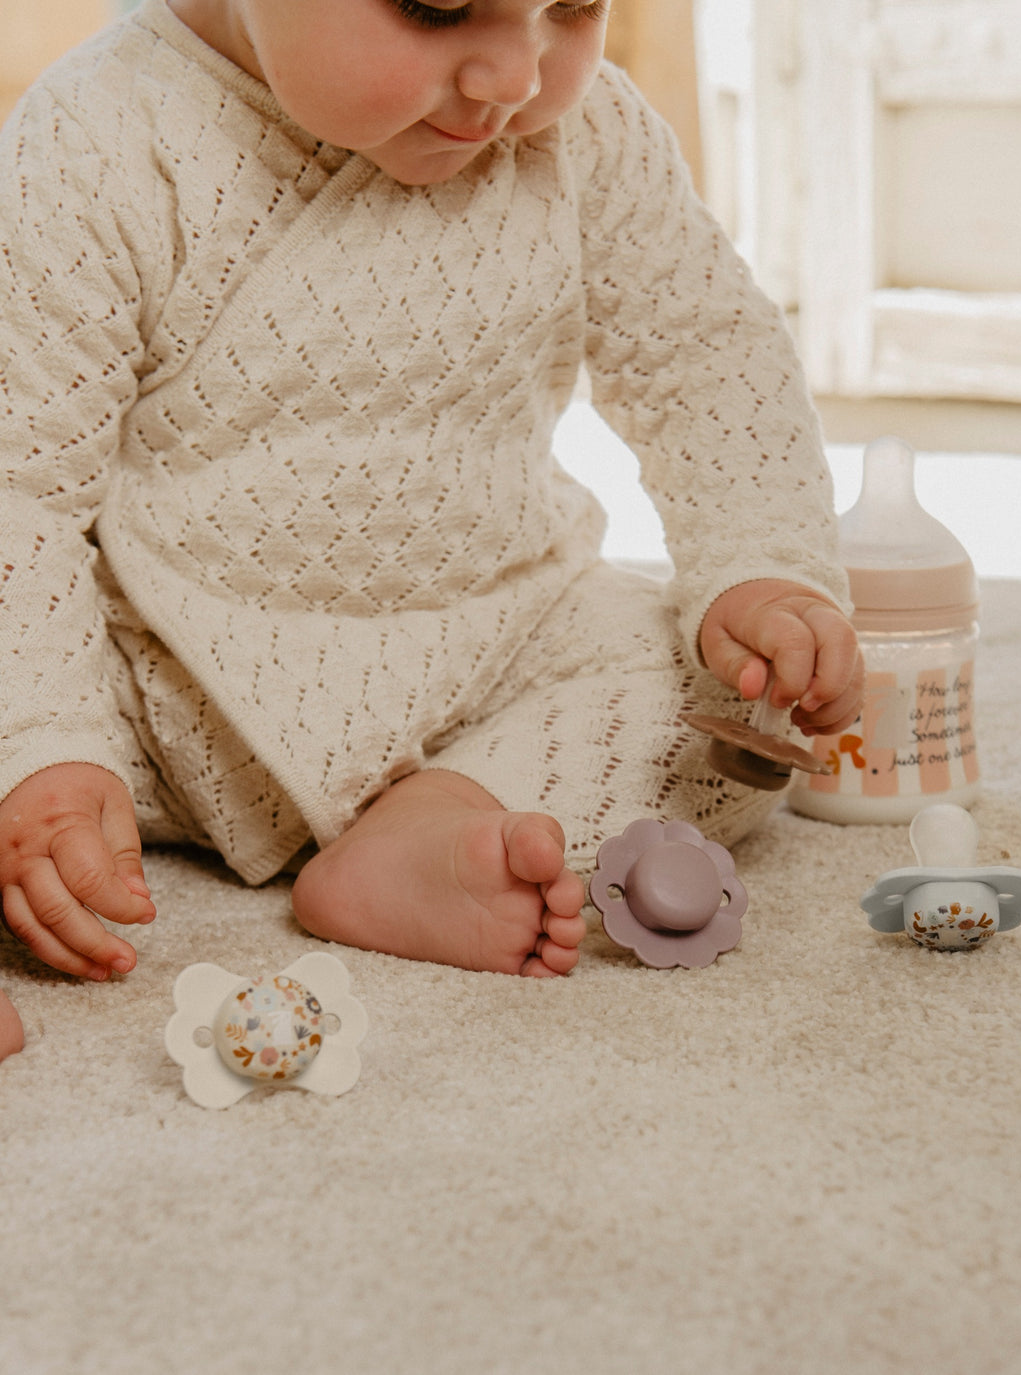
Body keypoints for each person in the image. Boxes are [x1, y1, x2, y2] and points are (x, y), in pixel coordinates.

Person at [0, 0, 863, 995]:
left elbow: (704, 355)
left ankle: (433, 827)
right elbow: (20, 487)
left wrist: (761, 569)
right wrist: (47, 747)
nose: (515, 76)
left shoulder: (590, 134)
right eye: (440, 9)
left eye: (573, 7)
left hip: (495, 647)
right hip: (162, 695)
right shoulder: (96, 139)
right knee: (25, 704)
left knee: (726, 701)